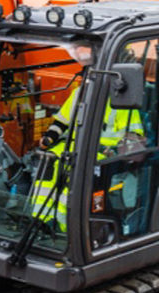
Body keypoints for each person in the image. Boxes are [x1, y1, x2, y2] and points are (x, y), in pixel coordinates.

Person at [25, 72, 146, 239]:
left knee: (73, 177)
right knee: (47, 165)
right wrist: (49, 138)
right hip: (73, 146)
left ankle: (69, 229)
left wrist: (119, 149)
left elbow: (133, 136)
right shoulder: (79, 94)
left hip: (102, 152)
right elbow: (61, 122)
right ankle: (41, 220)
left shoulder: (121, 102)